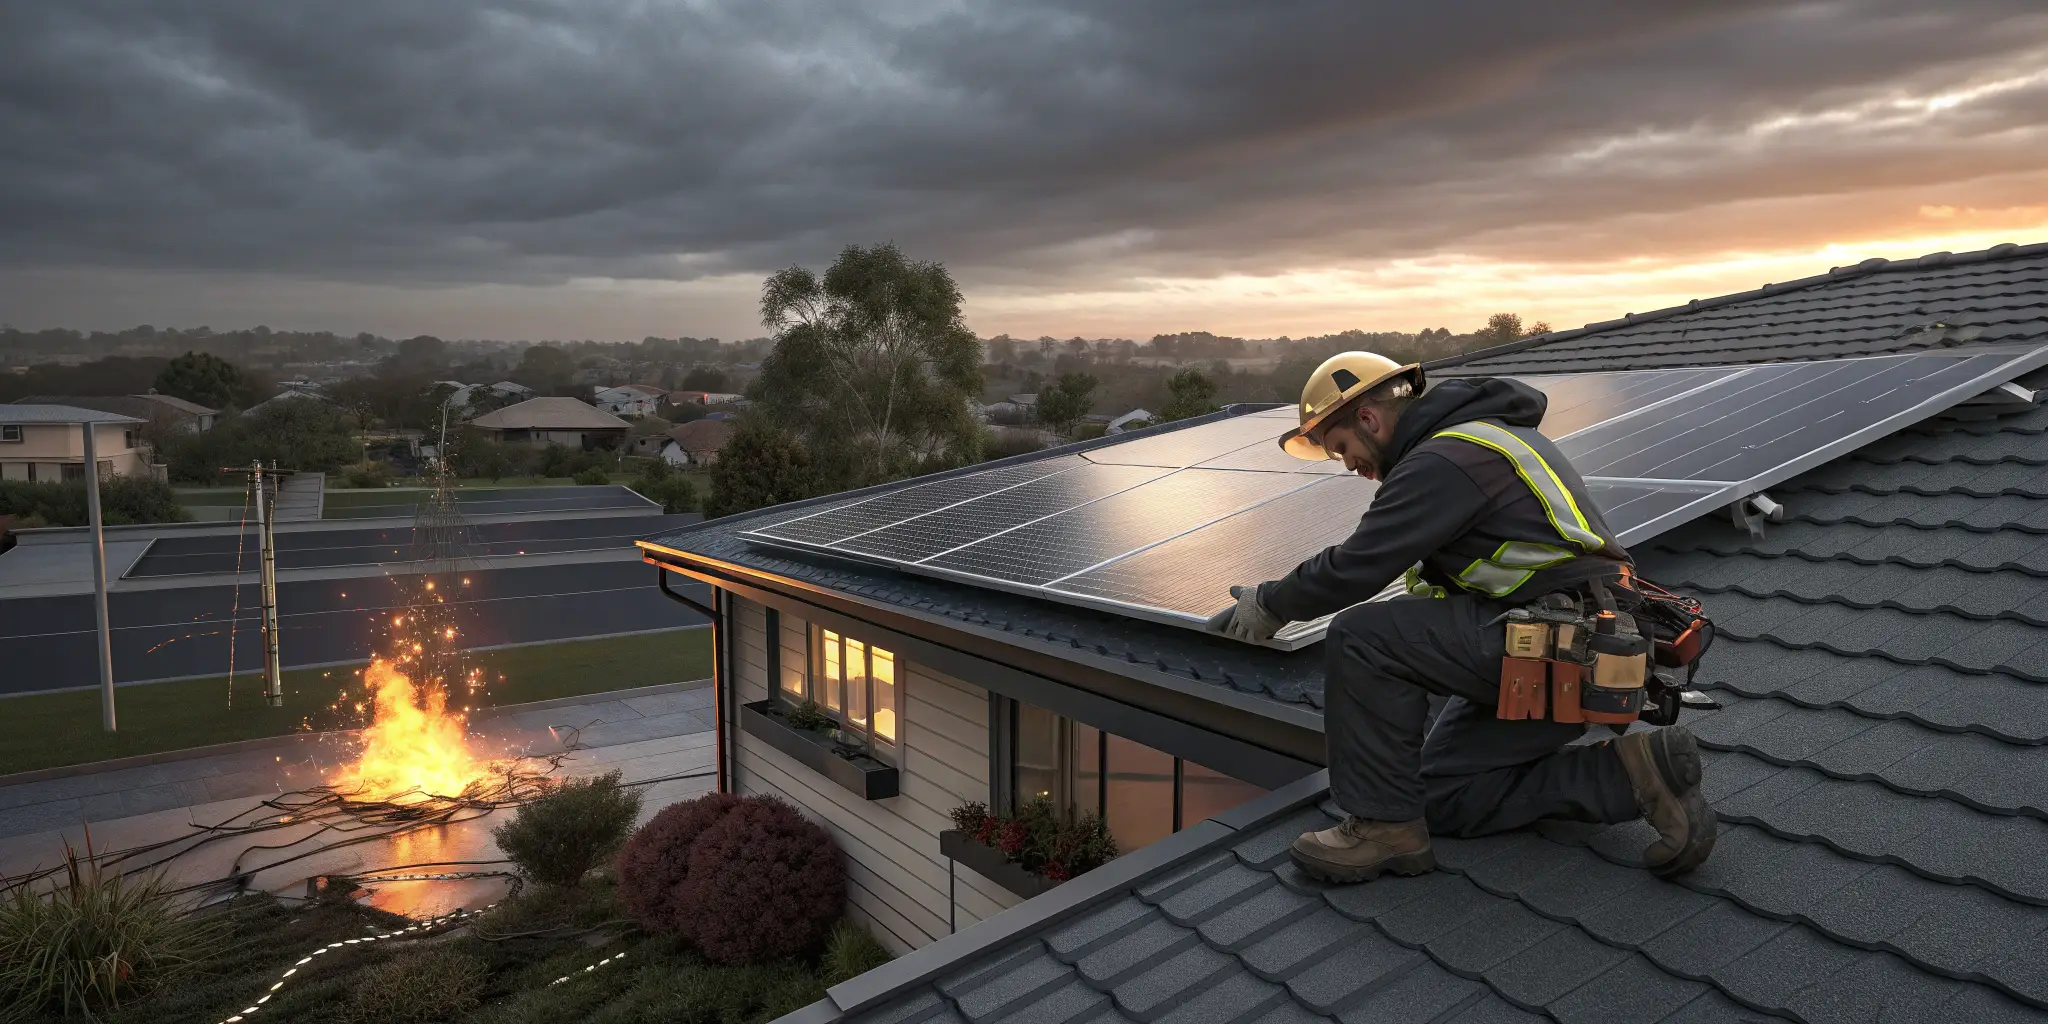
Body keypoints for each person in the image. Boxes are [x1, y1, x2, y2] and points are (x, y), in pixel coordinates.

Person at [1207, 352, 1716, 884]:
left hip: (1558, 642)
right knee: (1441, 797)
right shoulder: (1486, 441)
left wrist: (1269, 604)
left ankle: (1382, 828)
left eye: (1341, 448)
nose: (1347, 464)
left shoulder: (1447, 459)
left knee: (1361, 637)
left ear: (1368, 418)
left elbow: (1360, 564)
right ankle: (1632, 774)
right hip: (1571, 655)